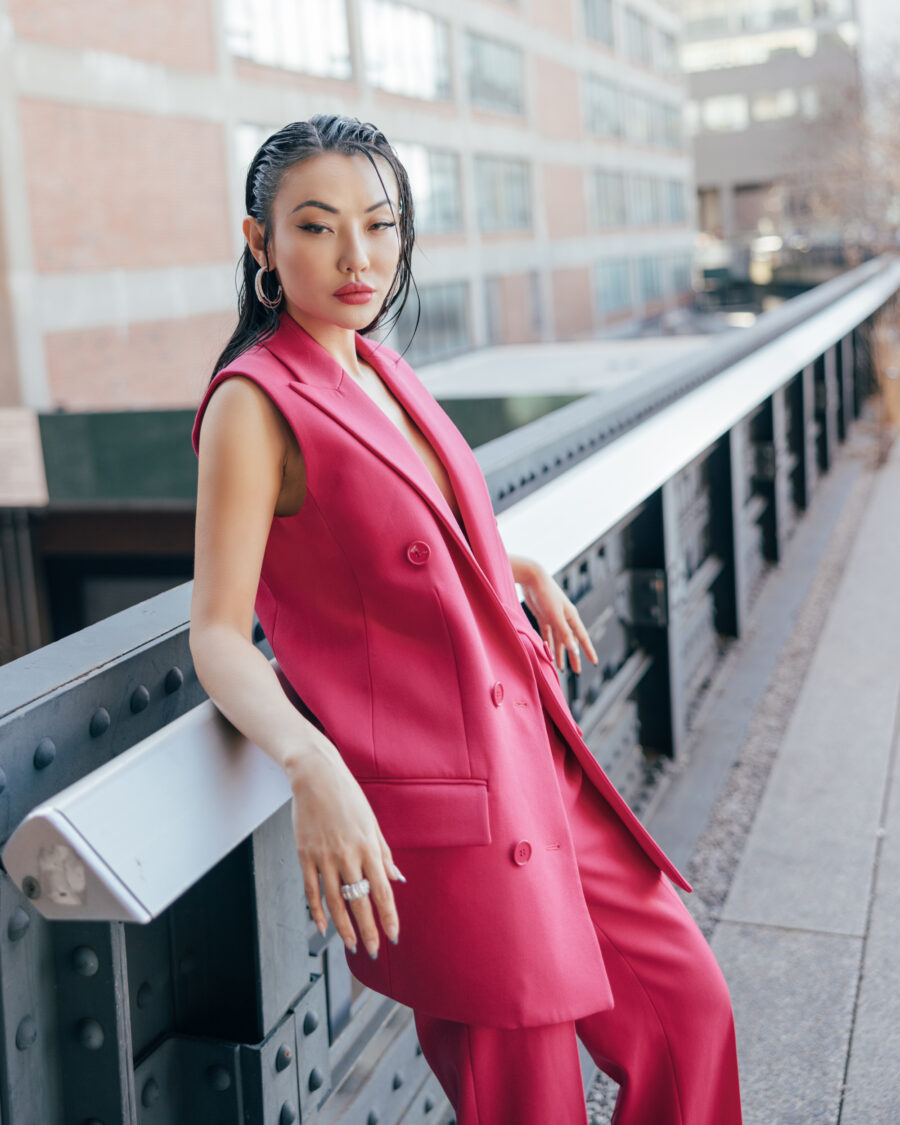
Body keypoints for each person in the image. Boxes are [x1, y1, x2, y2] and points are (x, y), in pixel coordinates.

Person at [189, 114, 742, 1125]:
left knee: (689, 1013)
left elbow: (398, 519)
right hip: (449, 817)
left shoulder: (376, 364)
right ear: (259, 244)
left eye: (380, 223)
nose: (357, 256)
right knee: (529, 1103)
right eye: (316, 227)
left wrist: (490, 561)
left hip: (533, 760)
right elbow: (218, 630)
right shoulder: (254, 402)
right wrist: (311, 767)